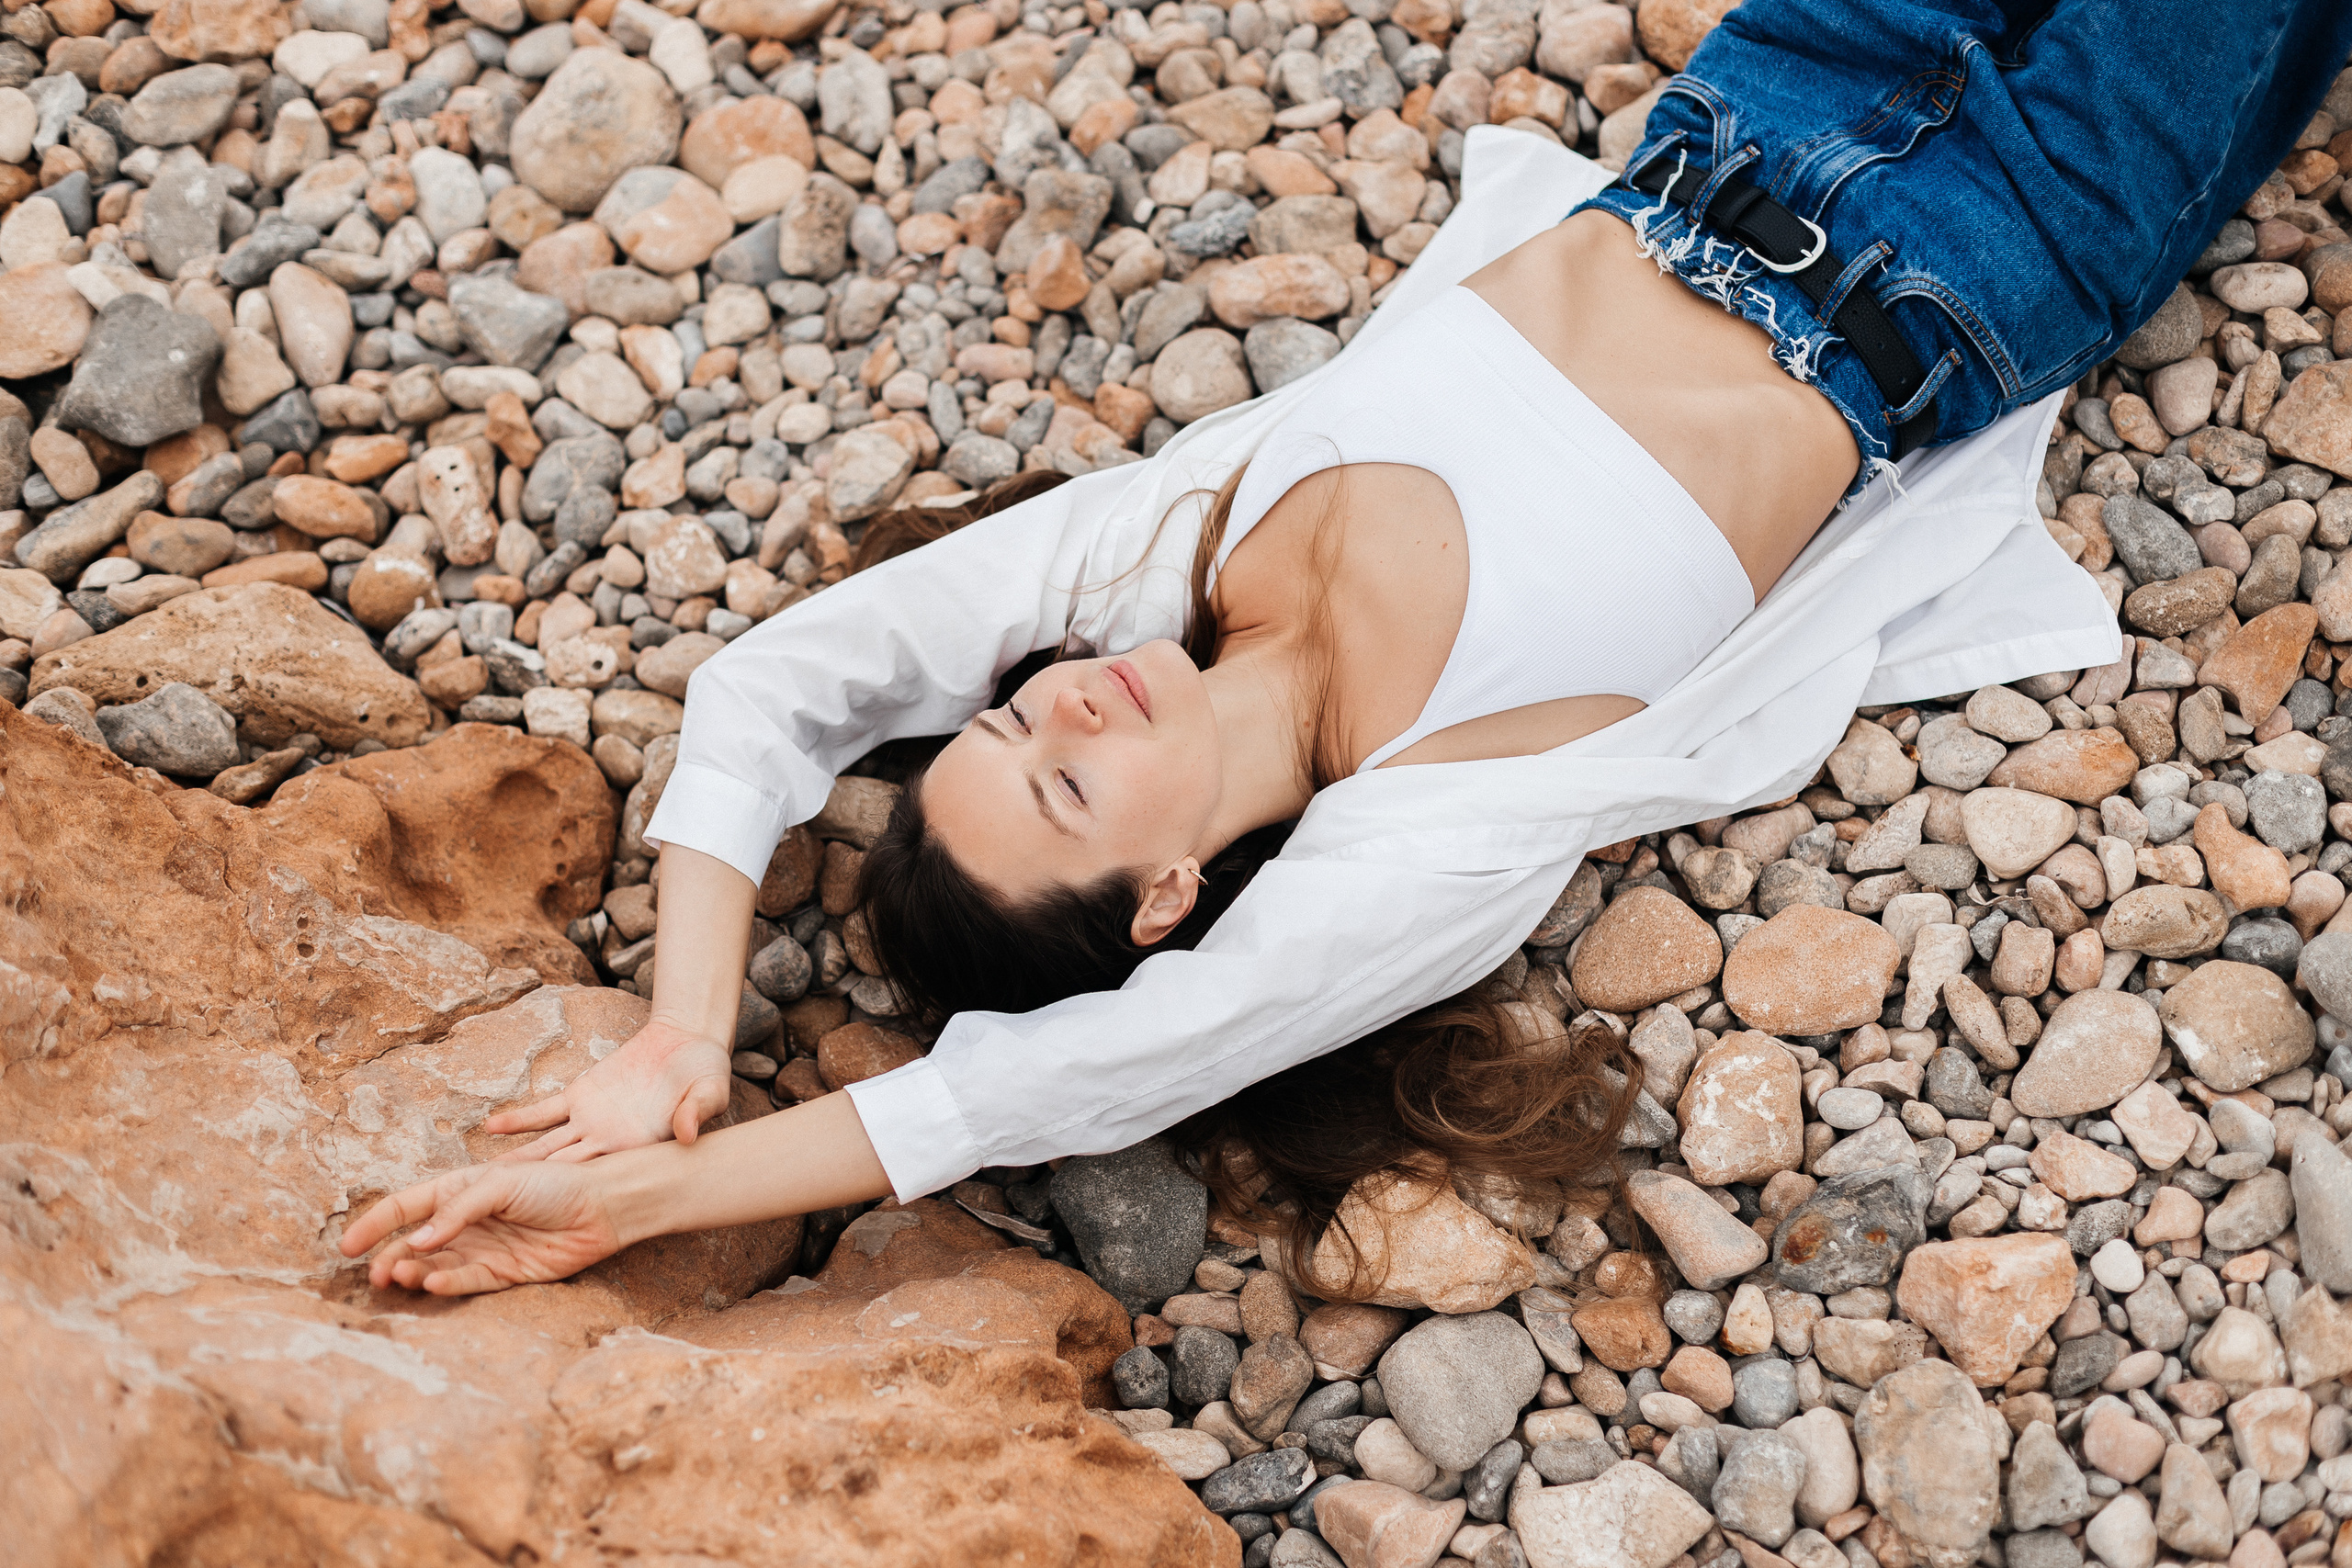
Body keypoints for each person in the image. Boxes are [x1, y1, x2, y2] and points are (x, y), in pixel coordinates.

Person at [341, 0, 2352, 1298]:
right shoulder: (1429, 830)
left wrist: (680, 1037)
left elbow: (768, 686)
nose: (1047, 701)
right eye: (1054, 778)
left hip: (1780, 85)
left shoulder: (1170, 551)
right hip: (1997, 233)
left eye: (1000, 718)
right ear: (1156, 894)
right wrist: (637, 1198)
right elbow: (1032, 1087)